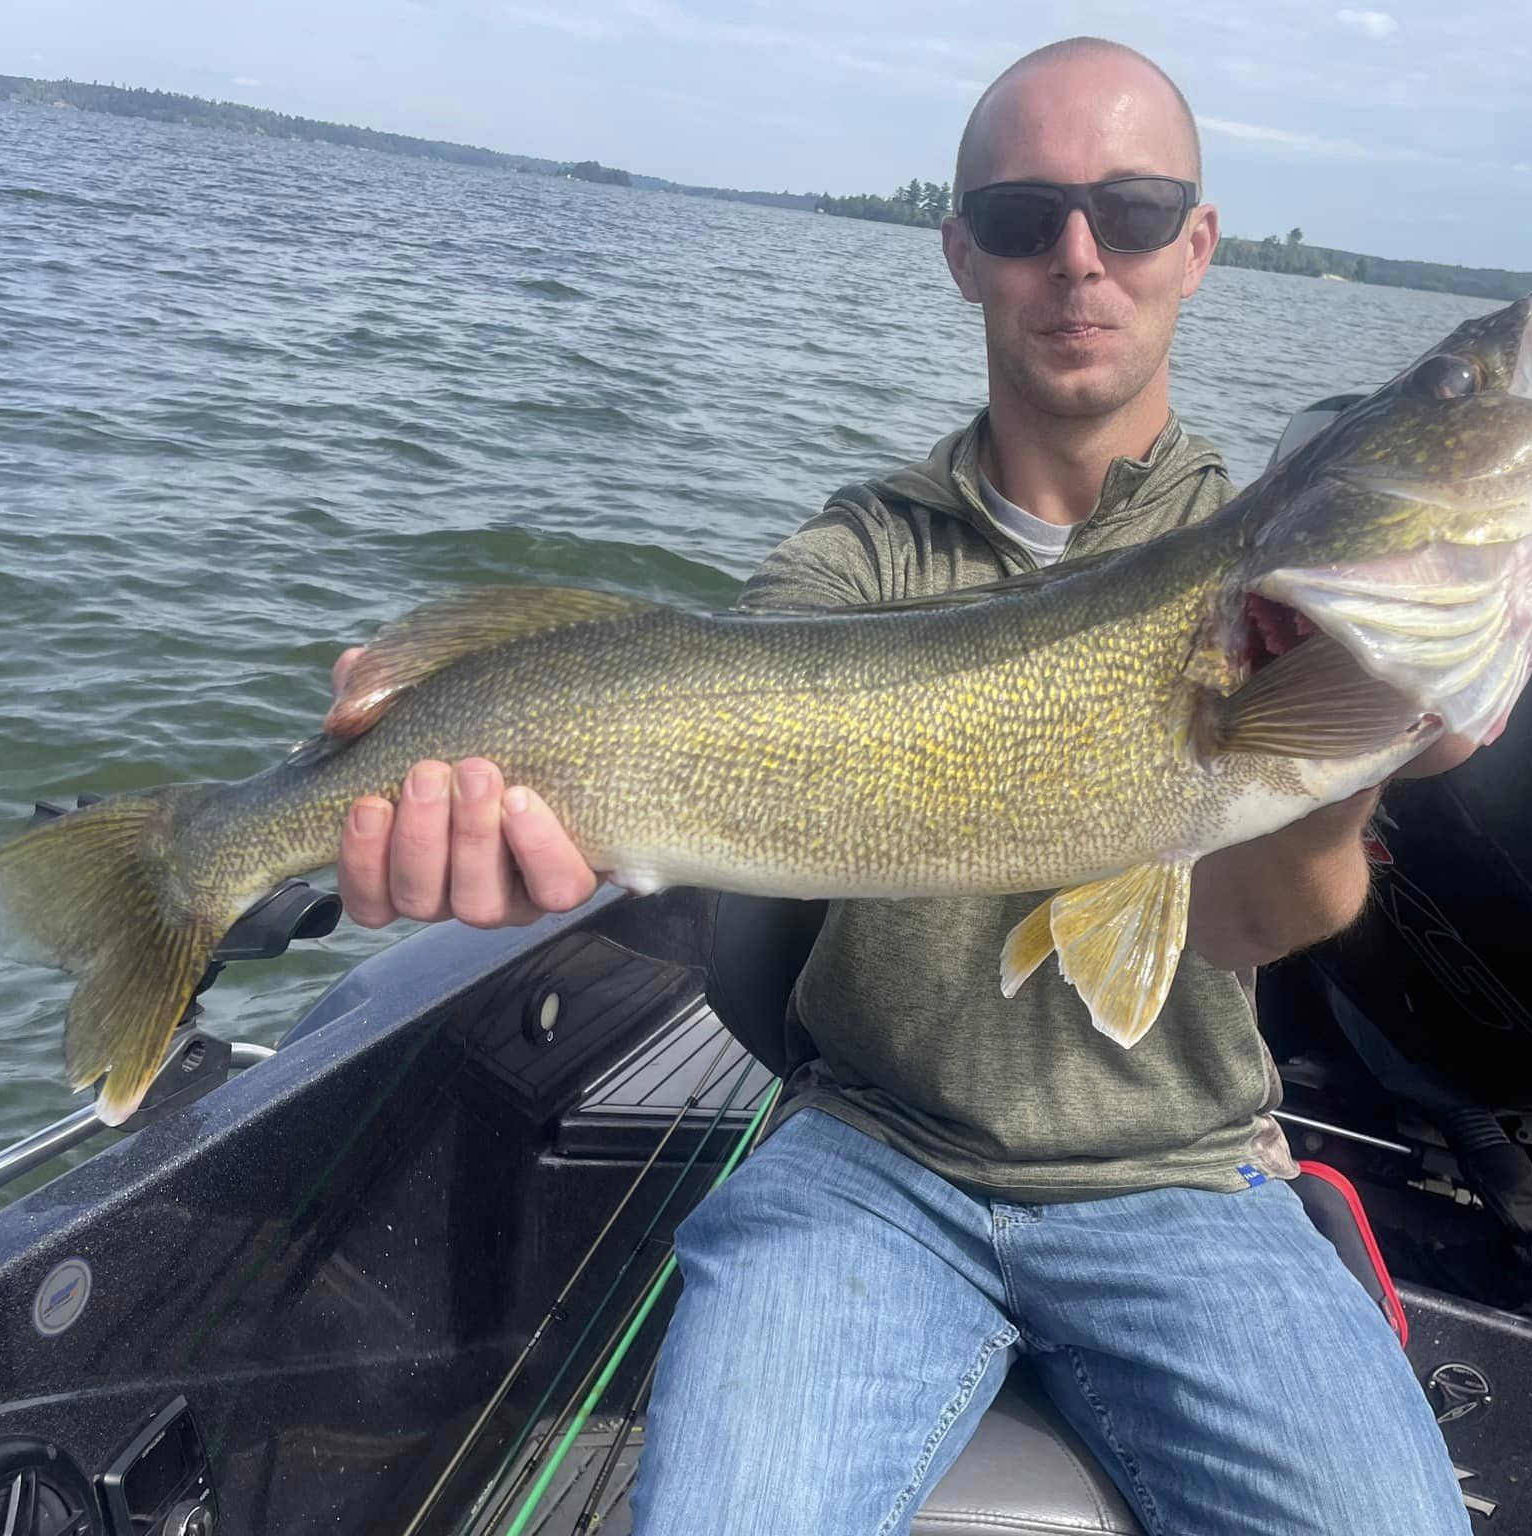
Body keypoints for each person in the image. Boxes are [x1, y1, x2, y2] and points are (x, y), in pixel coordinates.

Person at [336, 36, 1474, 1535]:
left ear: (1199, 247)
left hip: (1187, 1178)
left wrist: (1334, 732)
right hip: (867, 1164)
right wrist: (485, 819)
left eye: (1131, 213)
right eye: (1021, 218)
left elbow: (1274, 908)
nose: (1079, 258)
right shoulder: (856, 558)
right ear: (959, 255)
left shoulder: (1263, 553)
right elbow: (691, 709)